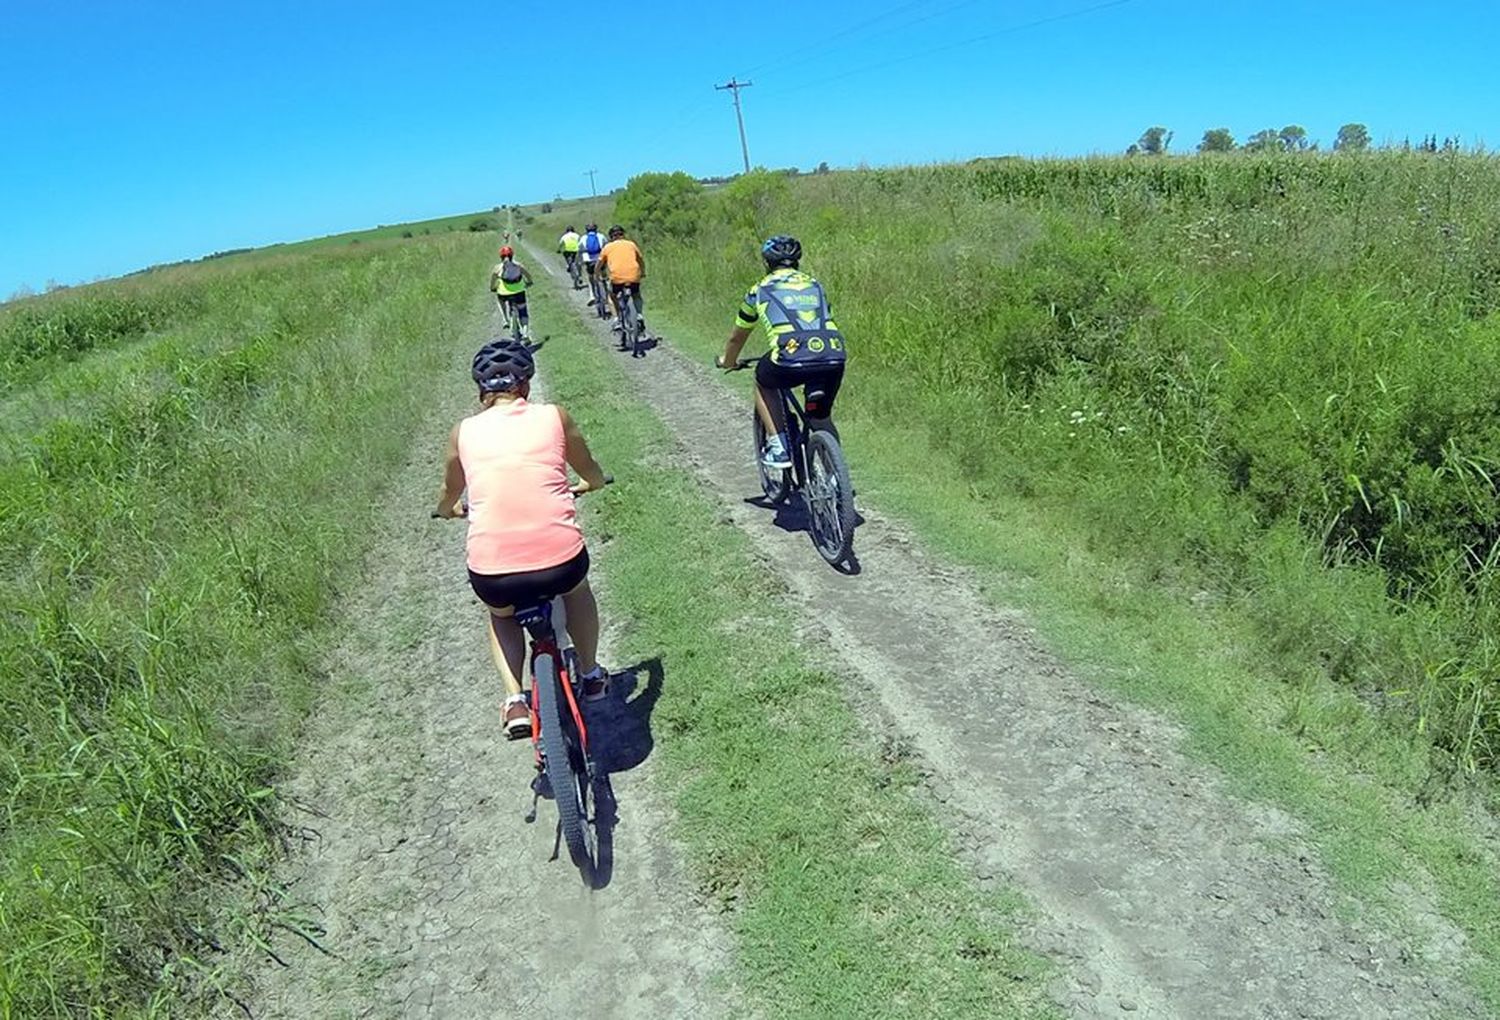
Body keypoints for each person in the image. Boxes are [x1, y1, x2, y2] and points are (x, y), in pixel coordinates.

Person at [434, 338, 612, 739]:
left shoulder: (462, 432)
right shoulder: (554, 416)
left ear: (481, 391)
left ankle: (515, 698)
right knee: (577, 590)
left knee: (501, 613)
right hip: (561, 563)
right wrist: (591, 483)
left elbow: (449, 492)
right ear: (526, 386)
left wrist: (449, 510)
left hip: (494, 573)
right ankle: (591, 674)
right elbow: (589, 468)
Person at [715, 235, 846, 468]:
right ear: (797, 261)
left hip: (790, 358)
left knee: (763, 381)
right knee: (820, 417)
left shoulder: (759, 290)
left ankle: (778, 447)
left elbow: (737, 336)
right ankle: (836, 476)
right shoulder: (815, 285)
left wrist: (729, 361)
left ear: (767, 263)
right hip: (833, 356)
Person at [597, 225, 645, 350]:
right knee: (636, 294)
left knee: (611, 296)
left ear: (611, 237)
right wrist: (642, 272)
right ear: (623, 234)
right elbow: (640, 259)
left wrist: (597, 275)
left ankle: (617, 319)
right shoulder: (631, 244)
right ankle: (639, 315)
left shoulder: (608, 247)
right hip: (634, 276)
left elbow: (600, 263)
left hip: (617, 278)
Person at [489, 246, 534, 339]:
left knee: (500, 300)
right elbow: (528, 276)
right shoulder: (519, 265)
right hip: (519, 292)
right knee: (523, 311)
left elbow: (492, 282)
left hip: (504, 294)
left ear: (500, 257)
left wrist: (493, 288)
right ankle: (525, 333)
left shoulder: (497, 268)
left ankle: (505, 319)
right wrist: (529, 282)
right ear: (512, 256)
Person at [579, 223, 608, 308]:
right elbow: (606, 247)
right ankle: (606, 291)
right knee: (603, 275)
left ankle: (592, 296)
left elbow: (580, 249)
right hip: (600, 260)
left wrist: (580, 260)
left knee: (590, 278)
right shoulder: (601, 236)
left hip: (589, 261)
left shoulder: (583, 238)